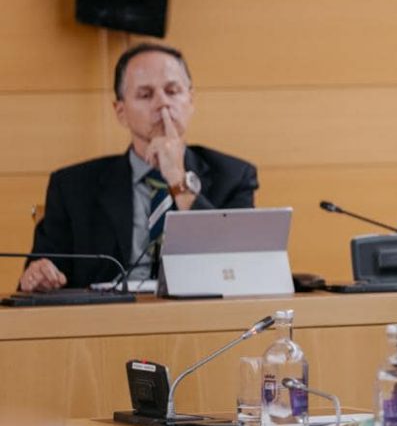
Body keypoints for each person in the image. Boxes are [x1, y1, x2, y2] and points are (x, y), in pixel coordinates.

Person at [20, 42, 258, 291]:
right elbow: (36, 277)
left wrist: (177, 179)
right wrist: (37, 276)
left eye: (173, 91)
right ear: (120, 111)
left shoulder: (234, 176)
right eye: (146, 95)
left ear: (191, 100)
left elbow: (240, 267)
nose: (162, 103)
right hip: (107, 321)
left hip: (200, 319)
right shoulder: (72, 187)